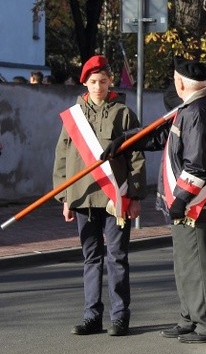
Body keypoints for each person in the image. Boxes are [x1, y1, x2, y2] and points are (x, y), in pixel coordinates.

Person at [104, 61, 206, 343]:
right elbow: (162, 134)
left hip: (195, 203)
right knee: (184, 263)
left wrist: (182, 198)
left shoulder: (198, 111)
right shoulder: (191, 107)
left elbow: (197, 164)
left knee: (197, 265)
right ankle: (189, 317)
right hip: (188, 203)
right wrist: (127, 140)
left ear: (180, 83)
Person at [53, 55, 146, 336]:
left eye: (103, 81)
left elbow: (136, 157)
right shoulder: (74, 116)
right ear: (85, 82)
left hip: (114, 198)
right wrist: (65, 197)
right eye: (93, 82)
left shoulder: (124, 113)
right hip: (82, 198)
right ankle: (92, 315)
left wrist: (136, 195)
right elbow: (62, 156)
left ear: (110, 82)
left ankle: (120, 316)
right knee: (91, 258)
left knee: (117, 258)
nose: (98, 87)